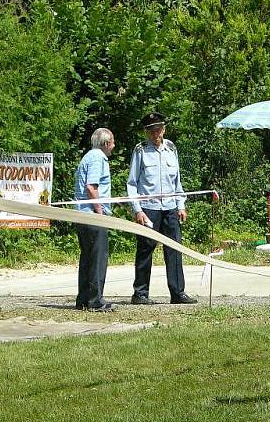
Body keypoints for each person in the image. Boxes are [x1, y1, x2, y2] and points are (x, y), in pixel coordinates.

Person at [127, 112, 197, 305]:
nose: (155, 134)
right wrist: (137, 209)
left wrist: (180, 205)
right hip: (148, 209)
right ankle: (140, 293)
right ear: (146, 132)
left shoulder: (171, 148)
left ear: (164, 129)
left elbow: (177, 182)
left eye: (158, 129)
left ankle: (177, 293)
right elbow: (132, 183)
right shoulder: (140, 151)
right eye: (151, 131)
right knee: (145, 250)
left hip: (170, 208)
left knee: (174, 250)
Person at [74, 127, 116, 312]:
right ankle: (95, 301)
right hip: (92, 216)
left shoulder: (88, 156)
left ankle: (83, 299)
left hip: (82, 215)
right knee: (98, 258)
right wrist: (101, 213)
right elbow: (91, 187)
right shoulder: (98, 158)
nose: (114, 146)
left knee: (88, 258)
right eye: (113, 142)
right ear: (106, 143)